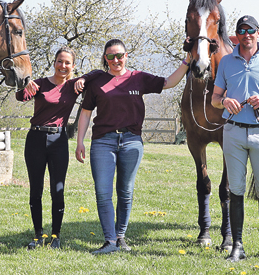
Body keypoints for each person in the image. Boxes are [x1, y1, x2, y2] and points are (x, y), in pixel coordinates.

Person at [75, 39, 191, 254]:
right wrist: (80, 141)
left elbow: (168, 83)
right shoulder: (97, 82)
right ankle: (109, 242)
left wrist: (187, 61)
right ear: (105, 59)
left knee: (125, 192)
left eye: (119, 55)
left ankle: (120, 238)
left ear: (126, 55)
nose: (115, 60)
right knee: (103, 192)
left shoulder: (139, 78)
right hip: (103, 142)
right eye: (110, 56)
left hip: (131, 142)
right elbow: (85, 112)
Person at [210, 15, 259, 263]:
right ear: (237, 34)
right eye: (241, 30)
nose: (246, 34)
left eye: (250, 30)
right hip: (232, 131)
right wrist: (224, 101)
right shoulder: (226, 63)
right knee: (237, 188)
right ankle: (238, 246)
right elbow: (214, 98)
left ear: (258, 32)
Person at [15, 47, 102, 250]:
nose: (63, 66)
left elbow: (99, 73)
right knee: (36, 190)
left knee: (58, 190)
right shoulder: (41, 83)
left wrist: (84, 78)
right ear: (54, 62)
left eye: (67, 63)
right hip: (35, 139)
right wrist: (25, 86)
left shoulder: (74, 86)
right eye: (60, 61)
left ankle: (55, 235)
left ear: (73, 66)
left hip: (58, 141)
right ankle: (38, 235)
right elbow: (20, 97)